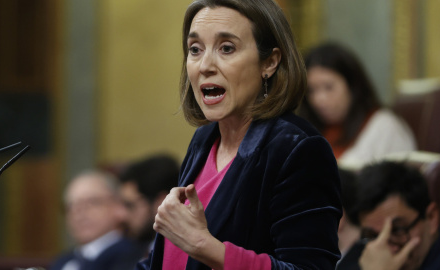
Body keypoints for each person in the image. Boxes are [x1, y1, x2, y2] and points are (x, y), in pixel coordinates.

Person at [137, 0, 342, 269]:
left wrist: (204, 246)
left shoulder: (298, 150)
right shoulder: (204, 140)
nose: (204, 66)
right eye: (195, 49)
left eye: (226, 48)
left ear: (269, 62)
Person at [298, 43, 416, 167]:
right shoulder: (309, 131)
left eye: (329, 87)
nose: (319, 99)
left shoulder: (385, 127)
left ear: (352, 85)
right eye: (311, 90)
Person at [343, 161, 440, 270]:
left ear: (431, 217)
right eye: (373, 235)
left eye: (397, 230)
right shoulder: (361, 253)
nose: (384, 251)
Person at [50, 170, 146, 270]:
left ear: (119, 206)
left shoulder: (134, 258)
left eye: (91, 202)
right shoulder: (62, 261)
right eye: (71, 206)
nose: (78, 212)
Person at [117, 154, 179, 256]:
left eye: (130, 205)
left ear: (162, 202)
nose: (121, 216)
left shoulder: (186, 258)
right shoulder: (122, 256)